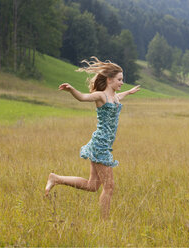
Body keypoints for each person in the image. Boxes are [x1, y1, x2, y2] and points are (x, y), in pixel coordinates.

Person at [45, 56, 140, 219]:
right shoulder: (101, 96)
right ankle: (104, 223)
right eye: (119, 79)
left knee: (93, 185)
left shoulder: (115, 97)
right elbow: (83, 97)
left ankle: (56, 178)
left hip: (102, 145)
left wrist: (129, 92)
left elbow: (120, 97)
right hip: (100, 146)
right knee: (109, 187)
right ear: (109, 79)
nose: (122, 82)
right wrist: (71, 90)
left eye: (122, 80)